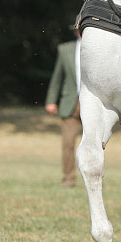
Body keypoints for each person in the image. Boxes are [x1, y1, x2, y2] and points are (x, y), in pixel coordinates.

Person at [45, 27, 81, 187]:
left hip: (94, 104)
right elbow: (57, 77)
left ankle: (96, 179)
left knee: (97, 145)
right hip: (70, 103)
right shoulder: (65, 50)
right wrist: (51, 100)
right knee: (68, 143)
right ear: (75, 31)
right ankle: (69, 178)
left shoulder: (101, 49)